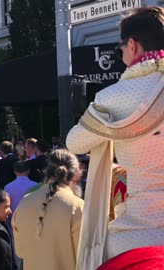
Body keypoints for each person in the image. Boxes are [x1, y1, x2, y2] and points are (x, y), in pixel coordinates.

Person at [66, 7, 164, 268]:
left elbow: (74, 142)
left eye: (120, 49)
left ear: (132, 45)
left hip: (136, 237)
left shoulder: (114, 97)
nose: (121, 56)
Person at [11, 149, 83, 270]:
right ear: (76, 176)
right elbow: (84, 257)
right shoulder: (78, 207)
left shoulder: (24, 203)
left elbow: (20, 252)